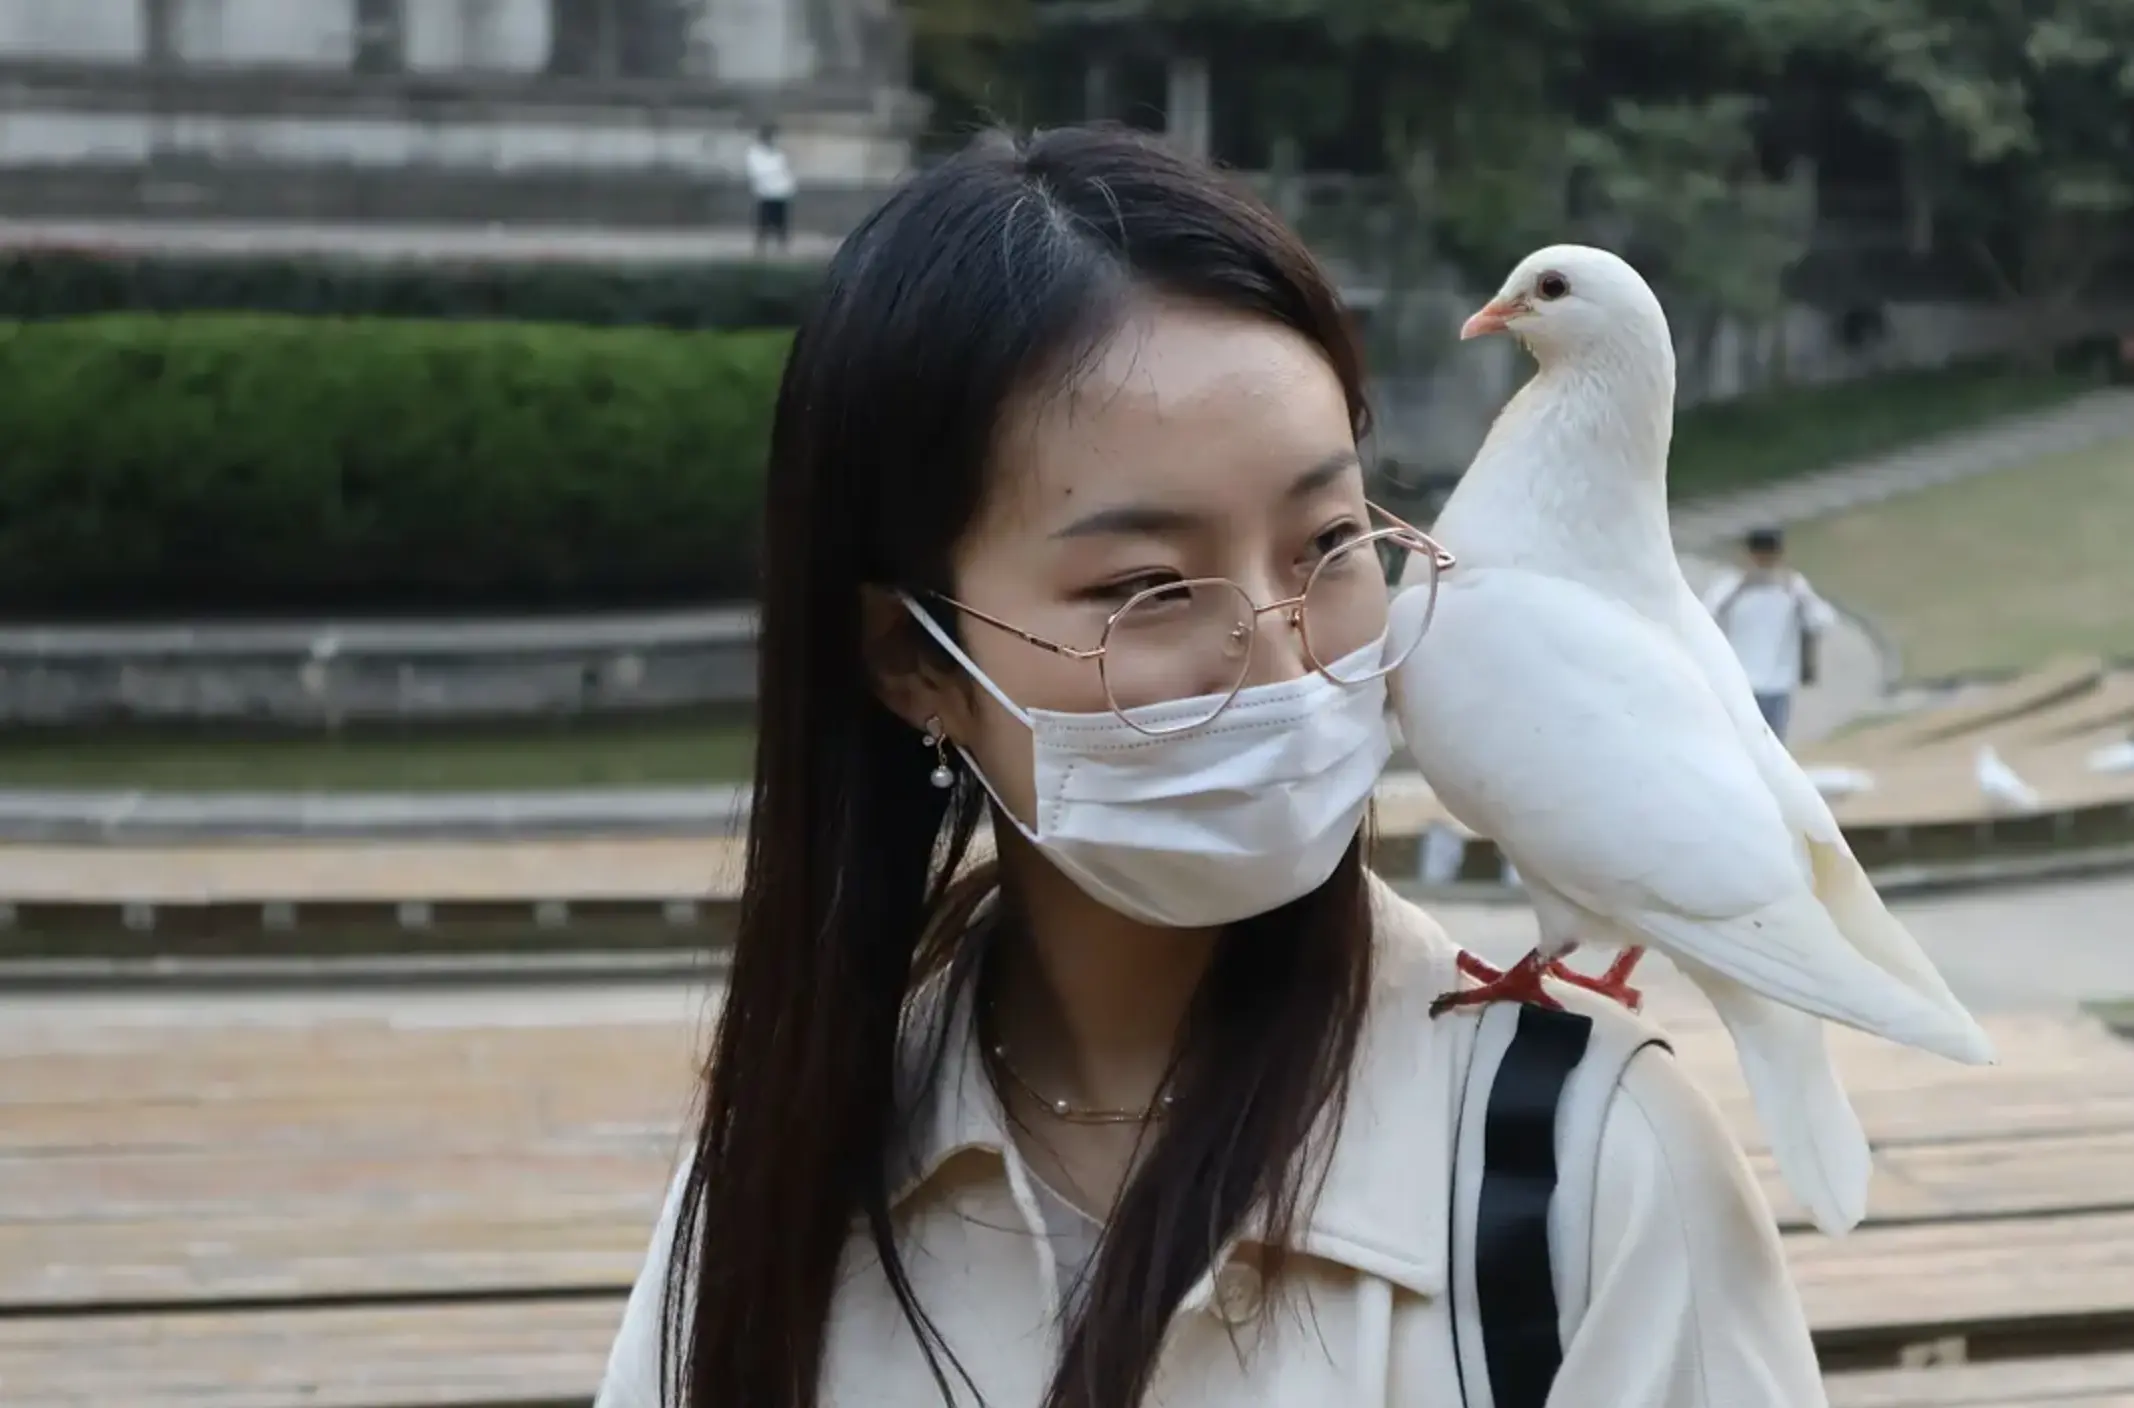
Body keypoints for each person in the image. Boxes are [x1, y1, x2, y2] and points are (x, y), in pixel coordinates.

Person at [596, 126, 1825, 1408]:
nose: (1282, 657)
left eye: (1330, 542)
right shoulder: (769, 1192)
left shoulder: (1594, 1178)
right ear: (915, 661)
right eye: (1147, 585)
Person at [1702, 526, 1838, 743]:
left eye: (1770, 555)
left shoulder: (1792, 586)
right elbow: (1704, 618)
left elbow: (1823, 621)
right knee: (1742, 744)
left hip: (1778, 683)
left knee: (1773, 746)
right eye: (1760, 554)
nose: (1764, 561)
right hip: (1739, 682)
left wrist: (1798, 593)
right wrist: (1740, 587)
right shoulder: (1730, 585)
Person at [746, 122, 795, 255]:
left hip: (780, 192)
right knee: (764, 222)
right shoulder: (755, 153)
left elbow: (784, 170)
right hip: (766, 192)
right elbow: (757, 171)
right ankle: (761, 247)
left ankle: (781, 246)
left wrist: (789, 185)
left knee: (781, 222)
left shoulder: (778, 154)